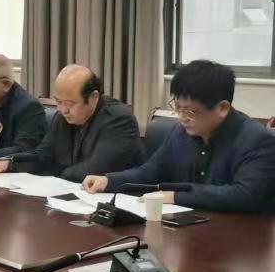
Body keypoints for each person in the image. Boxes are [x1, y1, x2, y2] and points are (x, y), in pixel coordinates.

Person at [83, 60, 275, 213]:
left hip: (243, 236)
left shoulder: (258, 140)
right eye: (178, 107)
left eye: (190, 111)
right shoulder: (179, 133)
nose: (182, 117)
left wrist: (176, 196)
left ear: (222, 108)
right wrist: (109, 181)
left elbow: (244, 195)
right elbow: (151, 172)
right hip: (189, 227)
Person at [0, 65, 144, 182]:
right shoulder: (62, 117)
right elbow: (43, 155)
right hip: (73, 197)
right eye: (58, 101)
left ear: (94, 97)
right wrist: (11, 162)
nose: (63, 110)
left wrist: (55, 177)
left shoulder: (118, 119)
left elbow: (96, 168)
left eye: (70, 104)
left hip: (115, 202)